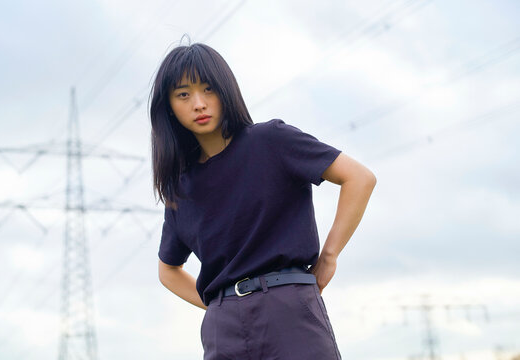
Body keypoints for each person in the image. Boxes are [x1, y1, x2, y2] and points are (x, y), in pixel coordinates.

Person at [149, 42, 376, 360]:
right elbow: (167, 271)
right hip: (222, 330)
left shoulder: (270, 141)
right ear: (169, 106)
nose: (199, 104)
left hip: (289, 312)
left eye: (208, 89)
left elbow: (359, 178)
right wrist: (219, 304)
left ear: (226, 90)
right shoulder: (180, 188)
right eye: (183, 94)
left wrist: (329, 256)